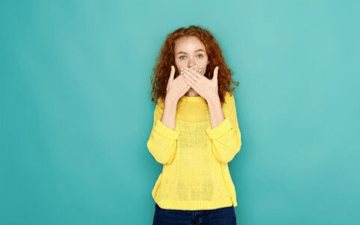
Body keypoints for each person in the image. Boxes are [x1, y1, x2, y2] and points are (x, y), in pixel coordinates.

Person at [147, 25, 242, 225]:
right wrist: (172, 99)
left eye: (199, 55)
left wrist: (212, 100)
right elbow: (161, 155)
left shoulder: (225, 99)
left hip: (218, 207)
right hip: (171, 208)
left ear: (209, 60)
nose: (191, 64)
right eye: (182, 57)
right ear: (172, 63)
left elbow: (227, 153)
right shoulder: (165, 102)